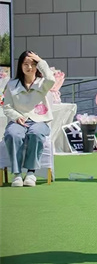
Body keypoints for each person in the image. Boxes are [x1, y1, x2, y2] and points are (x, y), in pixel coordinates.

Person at [2, 51, 55, 187]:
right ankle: (17, 174)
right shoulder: (12, 85)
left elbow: (51, 79)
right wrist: (17, 117)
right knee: (12, 134)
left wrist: (40, 61)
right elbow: (7, 107)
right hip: (19, 121)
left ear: (37, 67)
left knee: (36, 134)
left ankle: (31, 173)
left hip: (39, 121)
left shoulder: (43, 83)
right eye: (25, 64)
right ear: (20, 66)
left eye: (33, 64)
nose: (29, 67)